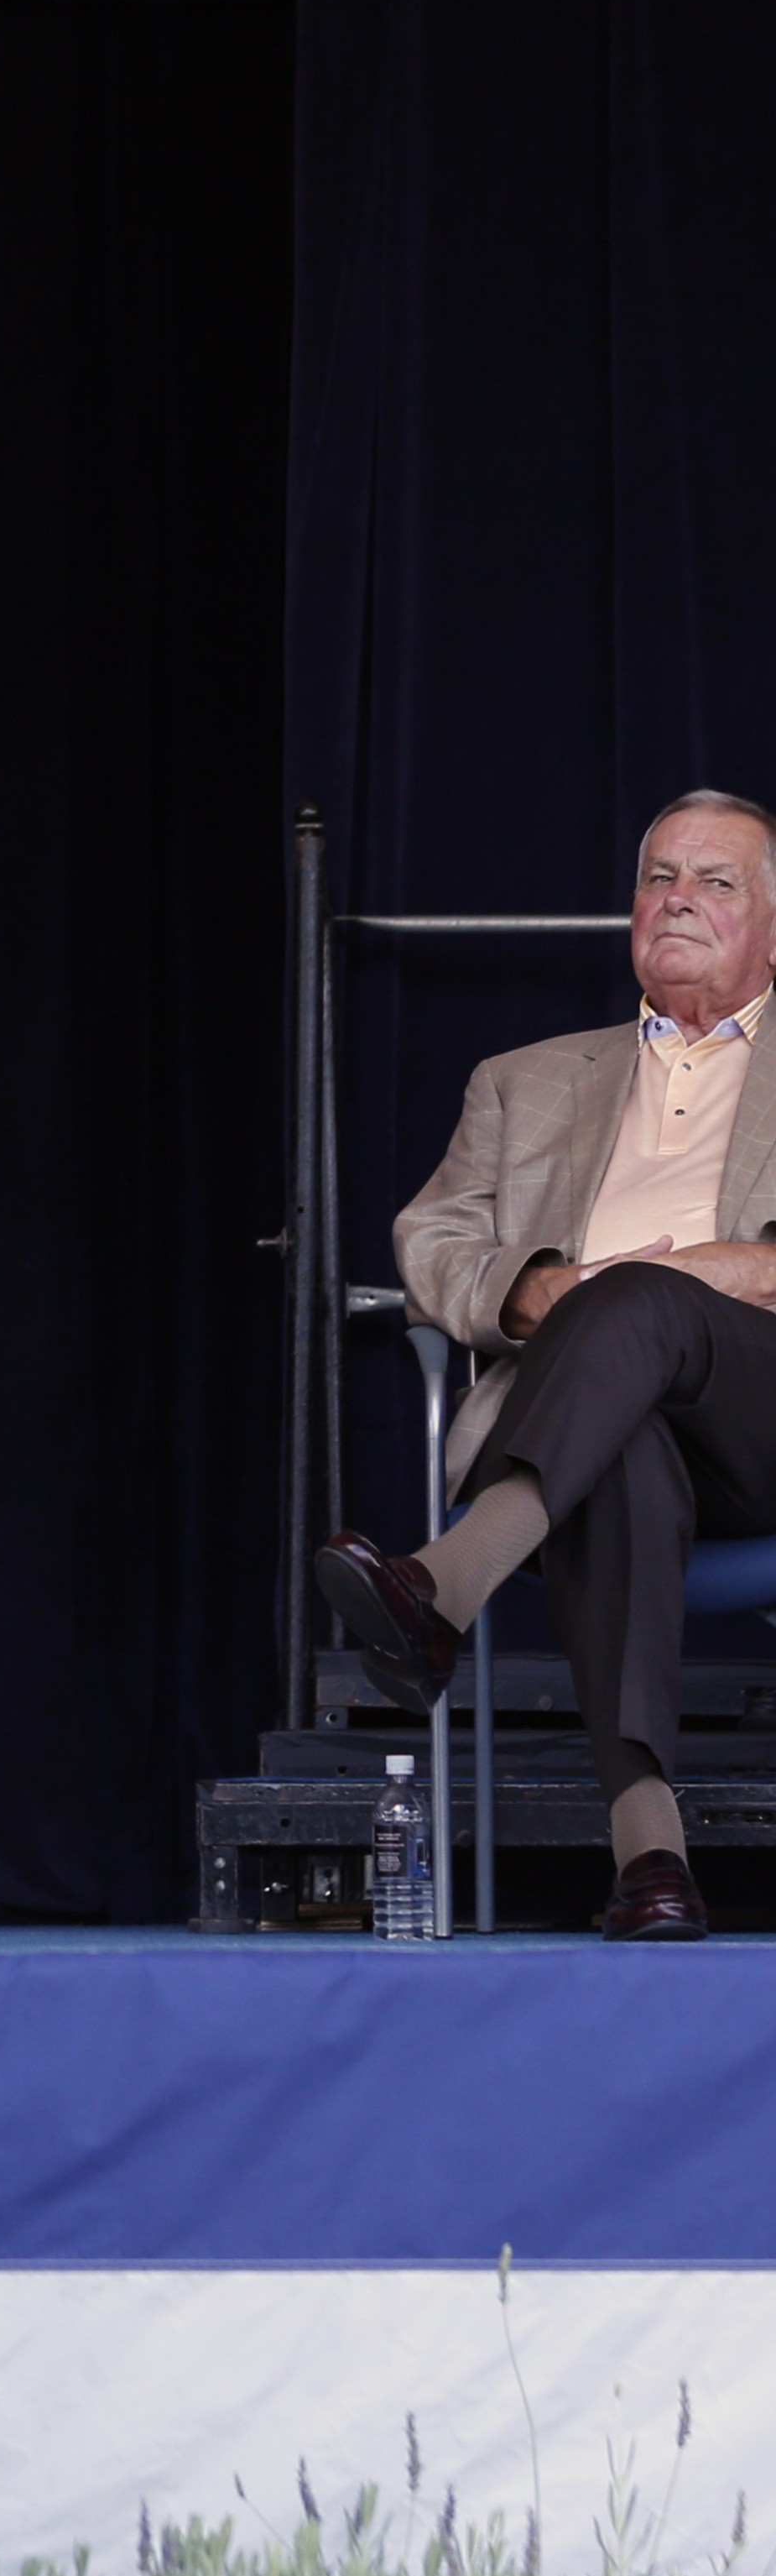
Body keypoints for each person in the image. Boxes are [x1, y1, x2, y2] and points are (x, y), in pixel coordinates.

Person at [317, 790, 776, 1939]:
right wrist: (531, 1292)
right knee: (623, 1447)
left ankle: (446, 1583)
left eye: (716, 882)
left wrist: (710, 1271)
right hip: (592, 1417)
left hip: (763, 1404)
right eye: (658, 876)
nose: (677, 898)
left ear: (773, 923)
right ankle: (651, 1863)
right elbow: (433, 1241)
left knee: (639, 1298)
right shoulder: (524, 1080)